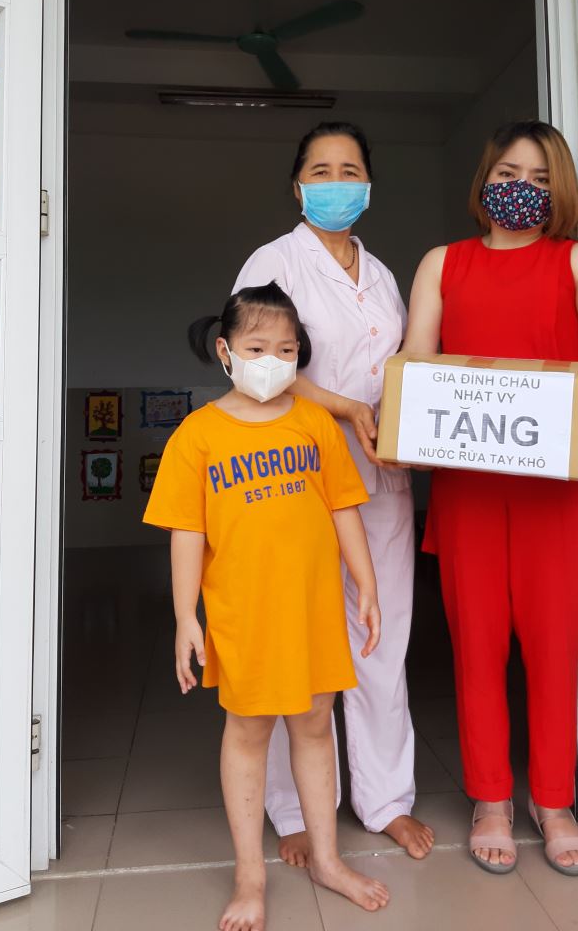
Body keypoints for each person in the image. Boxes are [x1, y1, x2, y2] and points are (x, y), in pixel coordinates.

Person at [403, 120, 578, 877]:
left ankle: (555, 801)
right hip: (468, 490)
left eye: (540, 179)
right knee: (476, 647)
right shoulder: (443, 263)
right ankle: (490, 799)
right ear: (484, 180)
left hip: (557, 494)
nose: (522, 189)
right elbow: (416, 359)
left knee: (552, 648)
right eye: (509, 173)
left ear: (560, 190)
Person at [144, 282, 390, 931]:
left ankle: (328, 860)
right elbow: (186, 533)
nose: (273, 361)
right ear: (225, 352)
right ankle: (249, 876)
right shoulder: (198, 435)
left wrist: (366, 585)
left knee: (315, 725)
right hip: (242, 617)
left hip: (312, 611)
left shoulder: (314, 423)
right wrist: (185, 617)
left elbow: (343, 509)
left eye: (286, 349)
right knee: (249, 734)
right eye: (257, 348)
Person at [234, 123, 434, 864]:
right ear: (297, 186)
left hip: (379, 477)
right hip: (297, 471)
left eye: (350, 169)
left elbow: (404, 370)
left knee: (382, 635)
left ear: (369, 185)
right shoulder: (275, 261)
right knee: (298, 636)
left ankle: (386, 801)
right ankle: (292, 810)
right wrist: (347, 409)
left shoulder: (380, 275)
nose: (336, 181)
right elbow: (260, 361)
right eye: (321, 170)